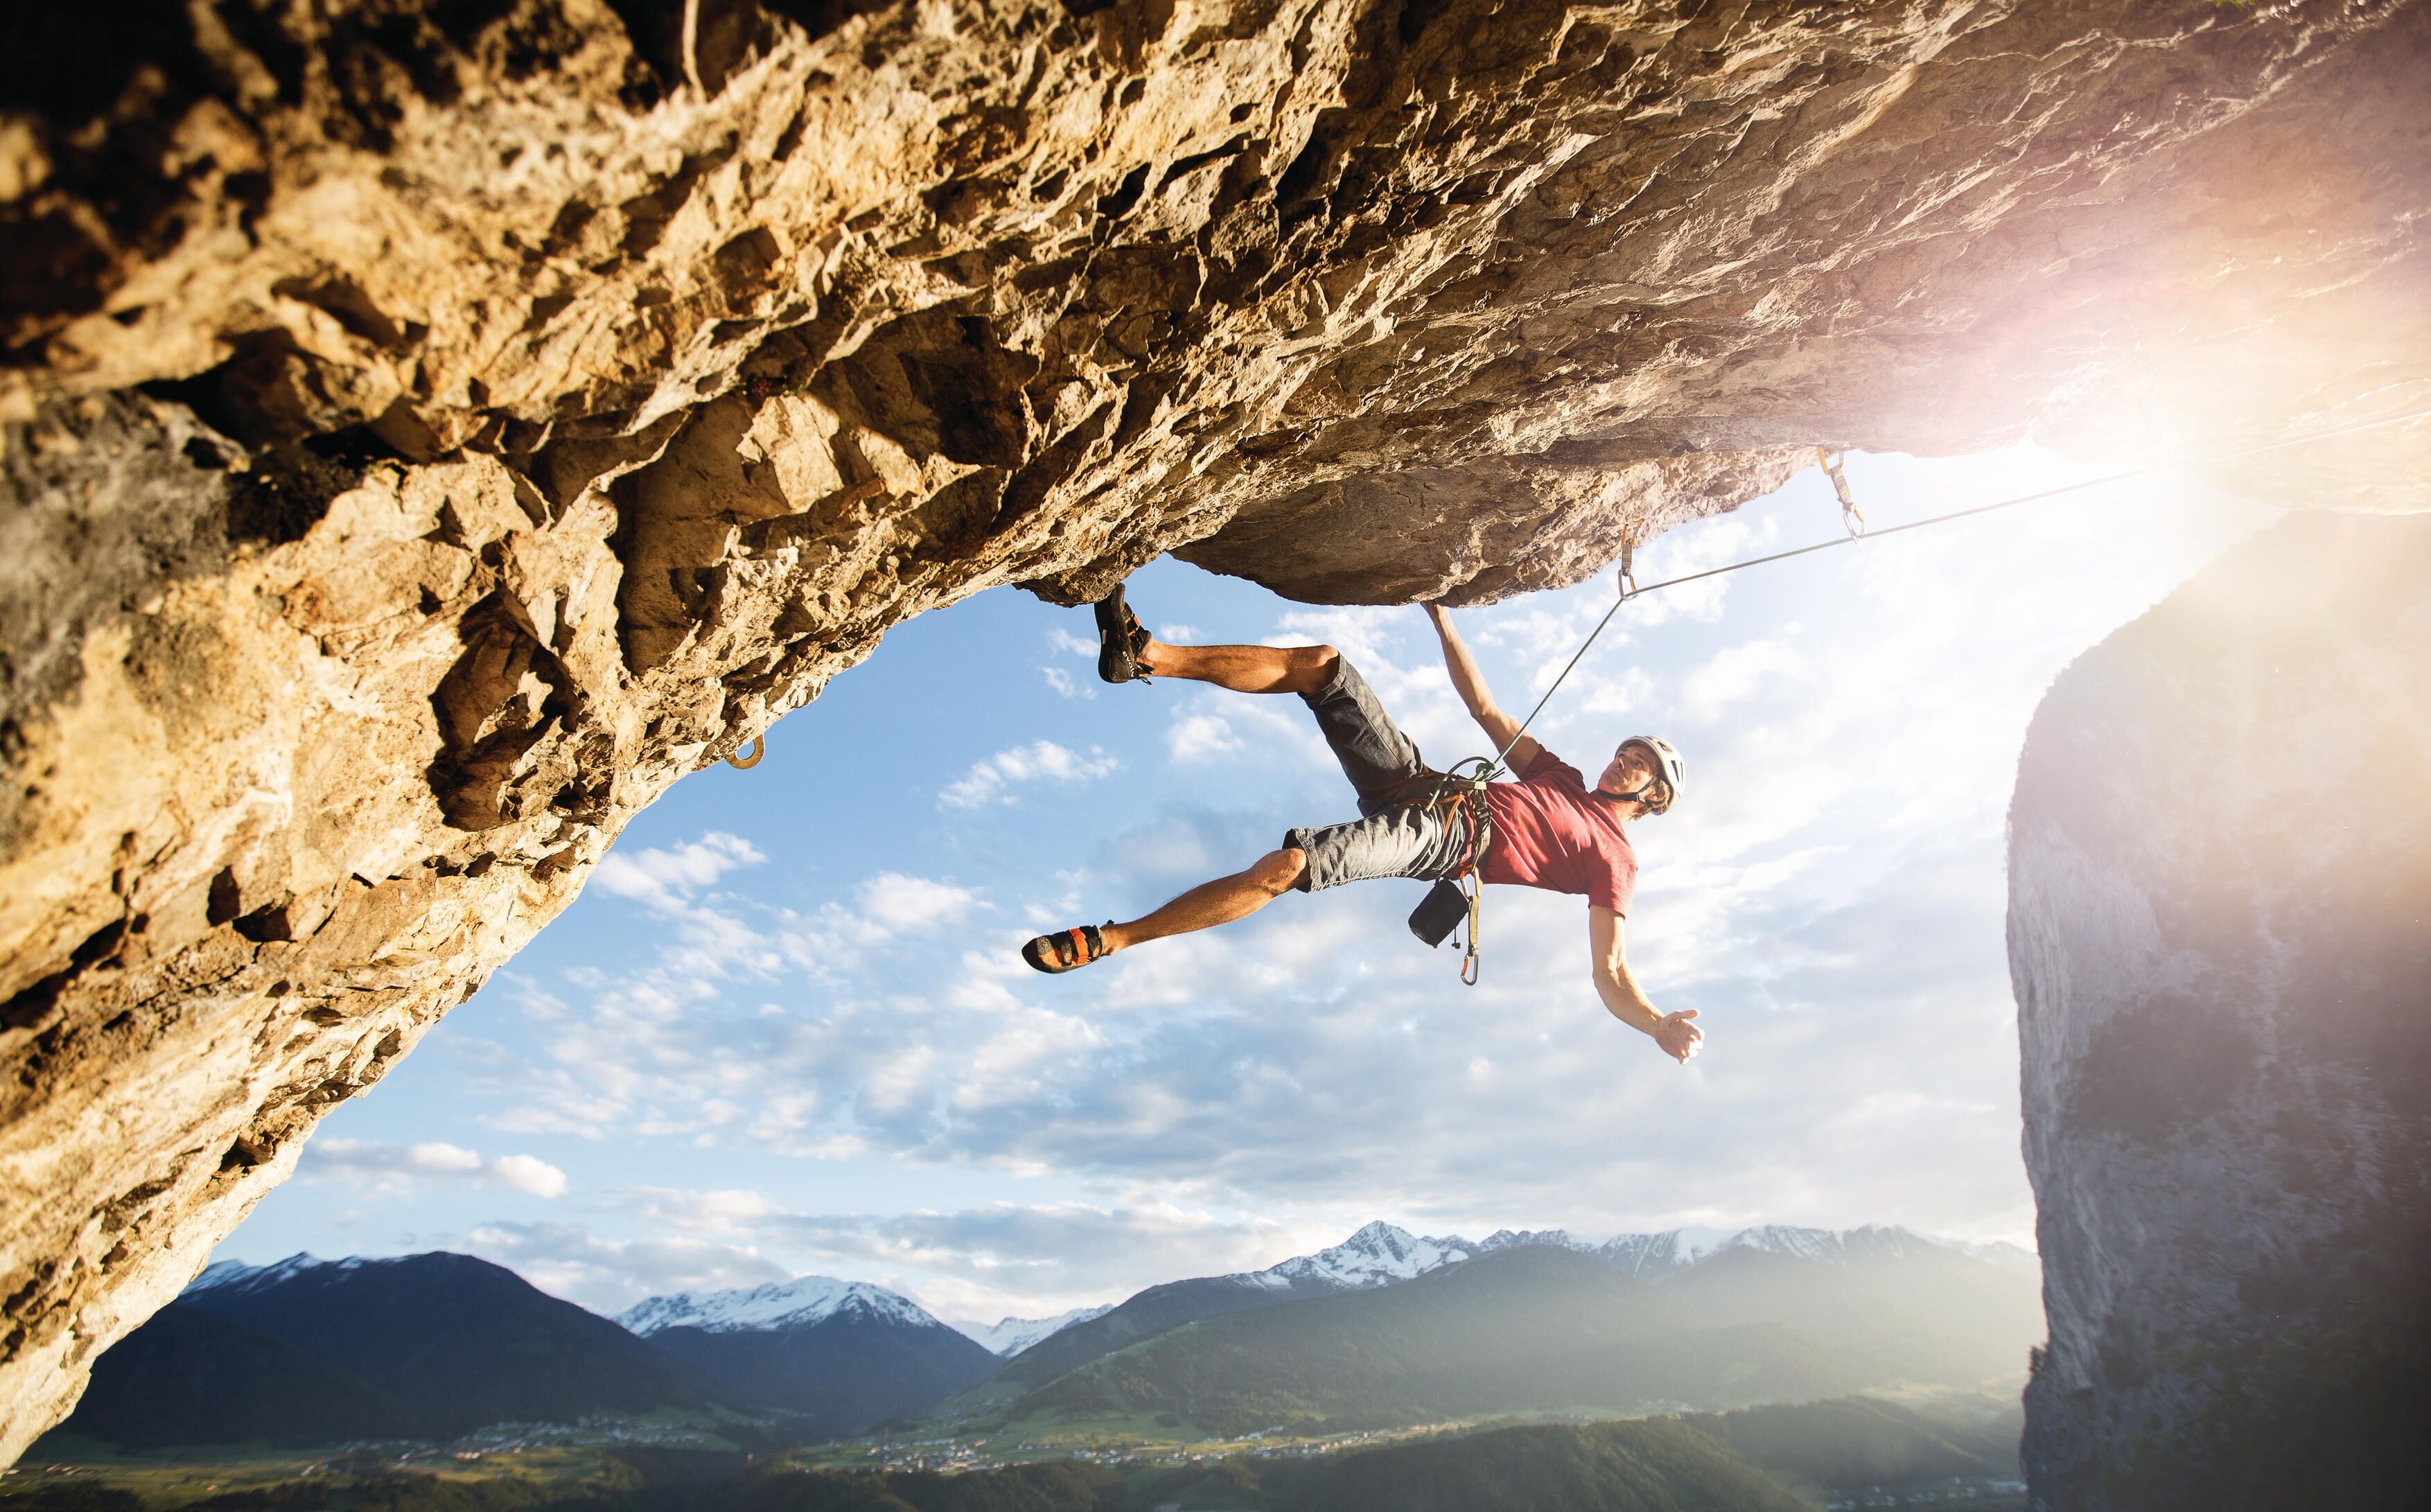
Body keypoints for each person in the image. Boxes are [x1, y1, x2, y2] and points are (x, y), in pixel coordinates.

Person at [1019, 583, 1705, 1065]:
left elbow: (1610, 968)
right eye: (1624, 752)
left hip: (1446, 838)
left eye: (1639, 765)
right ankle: (1145, 655)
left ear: (1656, 798)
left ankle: (1111, 938)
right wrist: (1443, 622)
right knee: (1322, 665)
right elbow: (1487, 709)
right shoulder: (1561, 779)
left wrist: (1653, 1024)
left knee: (1285, 867)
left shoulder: (1615, 857)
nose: (1623, 763)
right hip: (1426, 783)